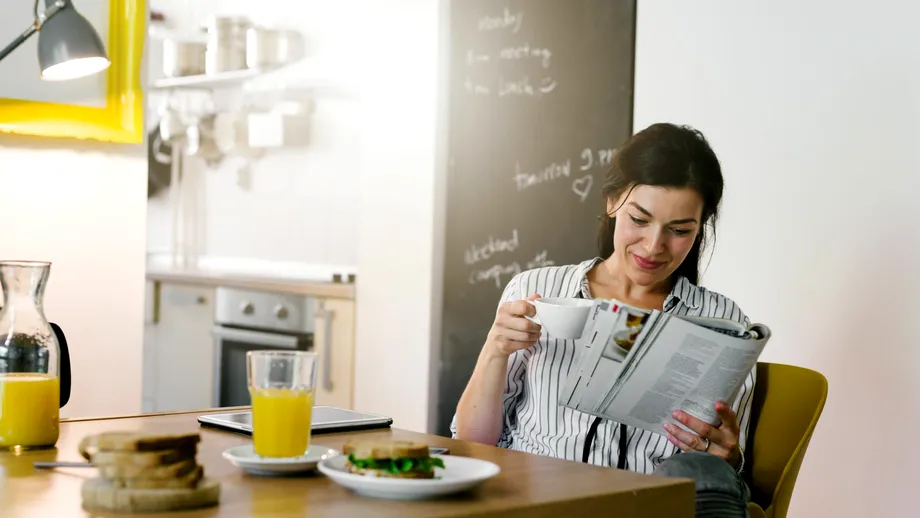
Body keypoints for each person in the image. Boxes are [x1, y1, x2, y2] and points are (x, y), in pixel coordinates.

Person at [451, 123, 756, 517]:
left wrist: (727, 457)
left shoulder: (724, 321)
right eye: (639, 220)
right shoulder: (537, 289)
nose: (653, 246)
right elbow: (472, 443)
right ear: (613, 201)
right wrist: (495, 349)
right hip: (533, 500)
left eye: (680, 230)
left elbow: (721, 476)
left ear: (700, 228)